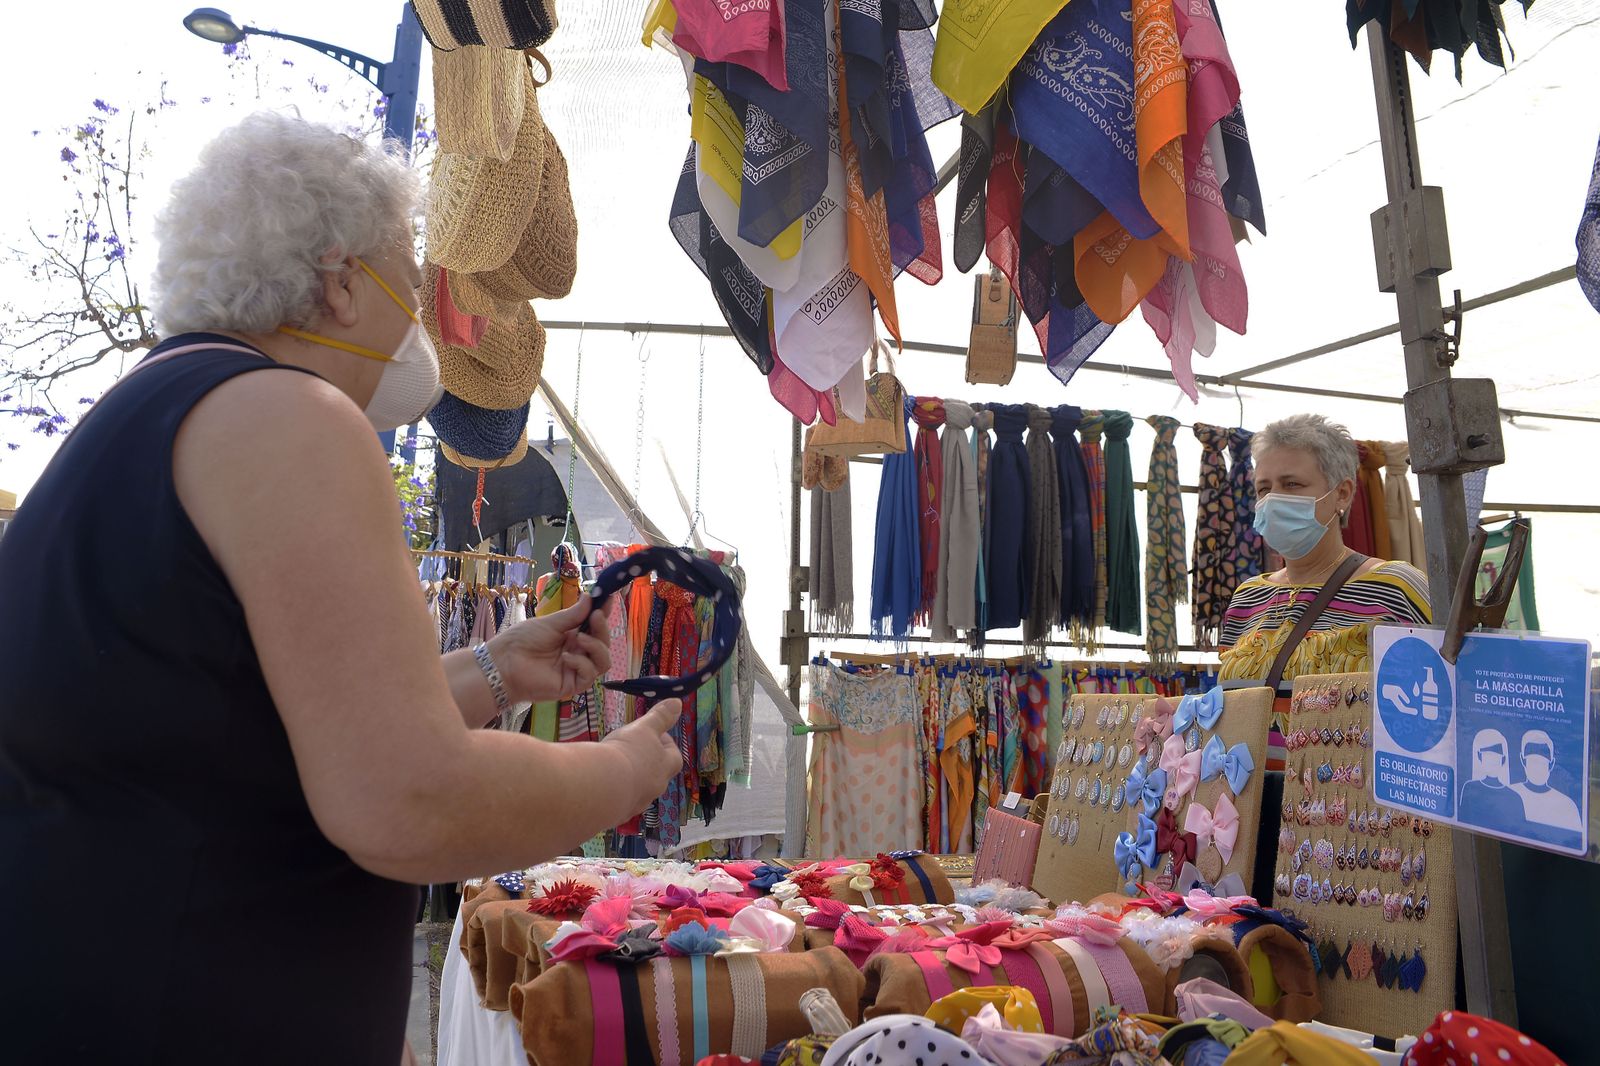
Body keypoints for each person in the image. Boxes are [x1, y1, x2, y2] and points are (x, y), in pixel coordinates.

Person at [0, 113, 683, 1064]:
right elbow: (409, 800)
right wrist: (625, 774)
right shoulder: (290, 416)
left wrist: (491, 667)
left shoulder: (156, 412)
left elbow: (259, 721)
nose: (419, 315)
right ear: (338, 281)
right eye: (408, 282)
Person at [1219, 414, 1432, 687]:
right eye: (1263, 488)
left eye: (1292, 484)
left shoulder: (1395, 587)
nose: (1273, 498)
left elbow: (1450, 687)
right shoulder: (1247, 597)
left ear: (1342, 493)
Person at [1459, 728, 1527, 828]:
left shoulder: (1514, 798)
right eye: (1488, 756)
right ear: (1480, 757)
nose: (1492, 761)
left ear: (1503, 760)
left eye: (1496, 757)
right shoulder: (1469, 787)